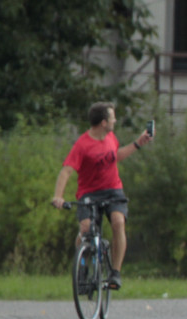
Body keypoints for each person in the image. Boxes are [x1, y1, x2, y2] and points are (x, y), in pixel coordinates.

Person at [51, 102, 153, 290]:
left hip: (113, 189)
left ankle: (115, 272)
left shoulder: (110, 137)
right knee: (85, 229)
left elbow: (116, 156)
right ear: (104, 122)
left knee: (118, 222)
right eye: (112, 117)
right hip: (89, 193)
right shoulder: (82, 145)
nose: (115, 120)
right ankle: (81, 268)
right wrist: (58, 196)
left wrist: (138, 143)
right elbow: (66, 171)